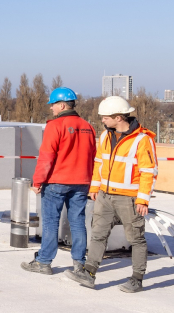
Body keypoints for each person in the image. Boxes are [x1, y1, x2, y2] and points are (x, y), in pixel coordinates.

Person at [67, 96, 158, 293]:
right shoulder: (106, 136)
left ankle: (137, 278)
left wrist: (143, 199)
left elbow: (148, 172)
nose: (102, 120)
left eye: (105, 117)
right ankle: (88, 273)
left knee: (136, 239)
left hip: (129, 199)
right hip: (105, 196)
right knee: (98, 234)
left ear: (118, 117)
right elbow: (99, 164)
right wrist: (94, 188)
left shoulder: (143, 140)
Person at [21, 88, 96, 276]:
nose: (52, 109)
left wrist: (38, 181)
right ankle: (79, 263)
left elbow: (46, 157)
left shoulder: (55, 126)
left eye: (53, 105)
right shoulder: (88, 126)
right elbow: (94, 156)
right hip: (81, 182)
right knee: (78, 222)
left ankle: (44, 262)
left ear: (62, 105)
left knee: (51, 223)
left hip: (56, 182)